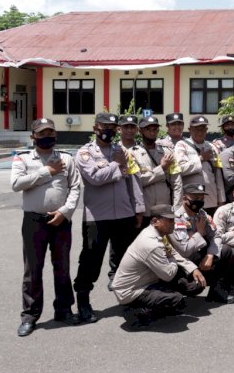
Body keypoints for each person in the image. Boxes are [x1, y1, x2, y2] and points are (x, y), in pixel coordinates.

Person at [12, 118, 82, 337]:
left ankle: (64, 310)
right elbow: (16, 184)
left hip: (61, 221)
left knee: (62, 268)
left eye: (50, 132)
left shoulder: (66, 159)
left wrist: (65, 212)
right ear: (33, 136)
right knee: (32, 270)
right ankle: (30, 316)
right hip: (33, 222)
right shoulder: (23, 158)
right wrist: (47, 172)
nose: (46, 137)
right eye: (41, 133)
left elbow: (75, 188)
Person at [73, 113, 145, 324]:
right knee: (90, 261)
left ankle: (128, 300)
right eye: (106, 126)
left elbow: (132, 179)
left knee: (125, 260)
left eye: (113, 127)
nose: (110, 130)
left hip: (124, 213)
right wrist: (115, 166)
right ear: (96, 127)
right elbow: (95, 179)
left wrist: (138, 209)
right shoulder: (85, 152)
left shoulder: (119, 150)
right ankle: (83, 302)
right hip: (97, 217)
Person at [111, 204, 207, 327]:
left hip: (149, 280)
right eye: (170, 220)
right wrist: (171, 258)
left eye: (174, 220)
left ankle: (159, 303)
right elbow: (168, 275)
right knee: (176, 299)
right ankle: (135, 313)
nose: (174, 223)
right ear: (155, 221)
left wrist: (193, 269)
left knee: (194, 285)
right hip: (131, 292)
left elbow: (172, 253)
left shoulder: (158, 233)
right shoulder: (151, 243)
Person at [170, 183, 232, 304]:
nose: (200, 201)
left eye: (202, 198)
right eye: (196, 198)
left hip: (199, 256)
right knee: (195, 288)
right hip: (182, 263)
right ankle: (172, 295)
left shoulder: (201, 214)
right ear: (184, 198)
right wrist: (200, 231)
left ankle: (217, 292)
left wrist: (210, 254)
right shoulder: (176, 218)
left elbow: (216, 236)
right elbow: (184, 250)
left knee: (225, 250)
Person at [129, 116, 183, 223]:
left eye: (155, 129)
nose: (152, 132)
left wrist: (177, 210)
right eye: (148, 129)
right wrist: (162, 168)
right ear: (140, 131)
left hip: (165, 210)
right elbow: (136, 182)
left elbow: (177, 183)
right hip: (144, 212)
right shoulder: (132, 153)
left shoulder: (168, 153)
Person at [175, 115, 226, 216]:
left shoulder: (212, 147)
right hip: (191, 200)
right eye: (197, 129)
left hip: (211, 199)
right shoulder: (181, 145)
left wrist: (221, 199)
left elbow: (218, 175)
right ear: (190, 130)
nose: (200, 132)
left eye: (203, 129)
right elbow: (180, 169)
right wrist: (200, 158)